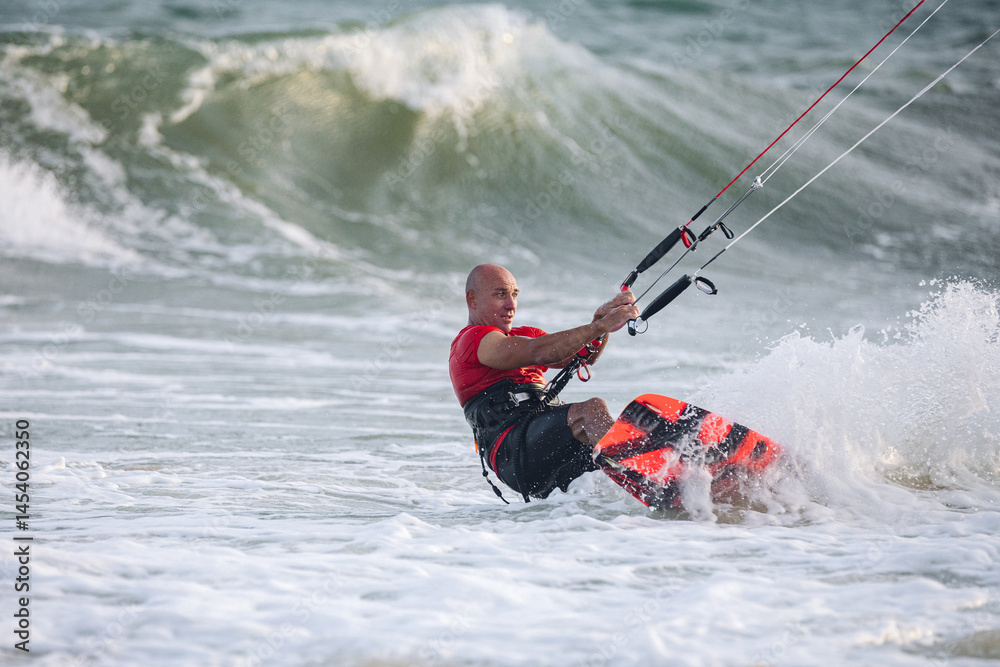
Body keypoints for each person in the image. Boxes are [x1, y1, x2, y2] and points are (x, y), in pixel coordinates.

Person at [449, 263, 639, 501]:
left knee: (617, 440)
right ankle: (646, 475)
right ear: (473, 299)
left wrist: (600, 323)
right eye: (500, 294)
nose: (511, 304)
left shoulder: (527, 334)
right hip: (514, 453)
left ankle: (667, 483)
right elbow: (540, 352)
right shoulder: (471, 340)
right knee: (591, 411)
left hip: (548, 445)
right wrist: (599, 326)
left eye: (514, 294)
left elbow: (583, 355)